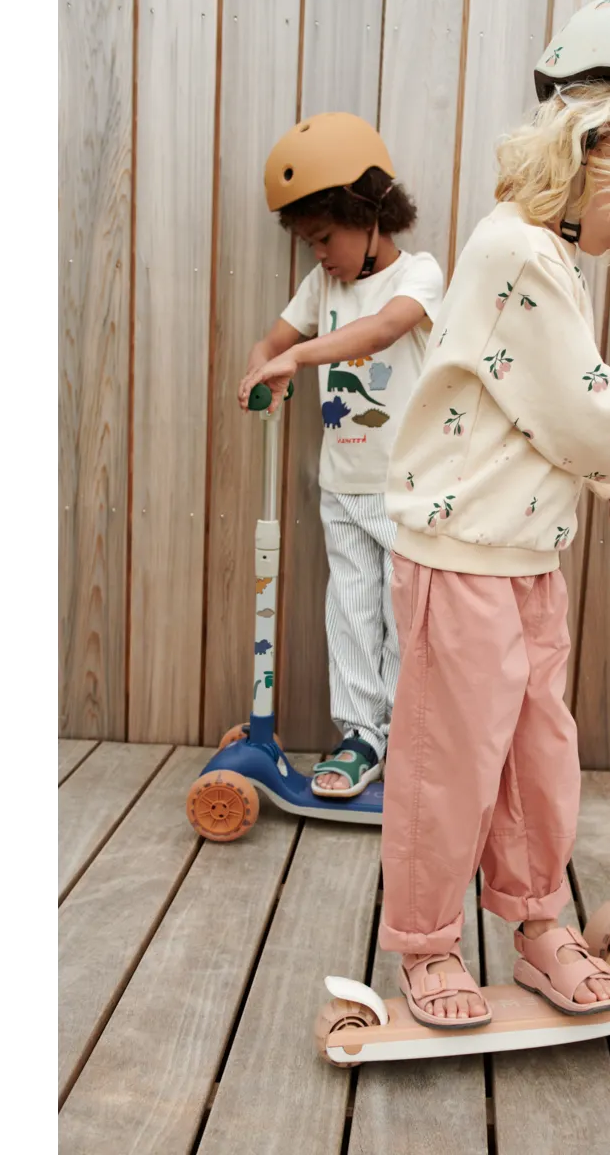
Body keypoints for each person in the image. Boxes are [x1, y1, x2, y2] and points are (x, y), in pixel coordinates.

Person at [376, 0, 610, 1026]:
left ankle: (539, 922)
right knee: (453, 762)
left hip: (526, 562)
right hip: (460, 559)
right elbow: (581, 410)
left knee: (538, 756)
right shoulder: (519, 252)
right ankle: (428, 944)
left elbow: (536, 420)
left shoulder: (548, 257)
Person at [243, 113, 443, 799]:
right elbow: (272, 342)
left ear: (370, 213)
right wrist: (260, 368)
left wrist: (298, 357)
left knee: (405, 622)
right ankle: (361, 737)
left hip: (405, 492)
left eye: (325, 238)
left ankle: (407, 740)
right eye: (309, 242)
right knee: (351, 616)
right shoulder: (321, 285)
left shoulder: (419, 276)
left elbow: (382, 331)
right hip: (343, 486)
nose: (320, 255)